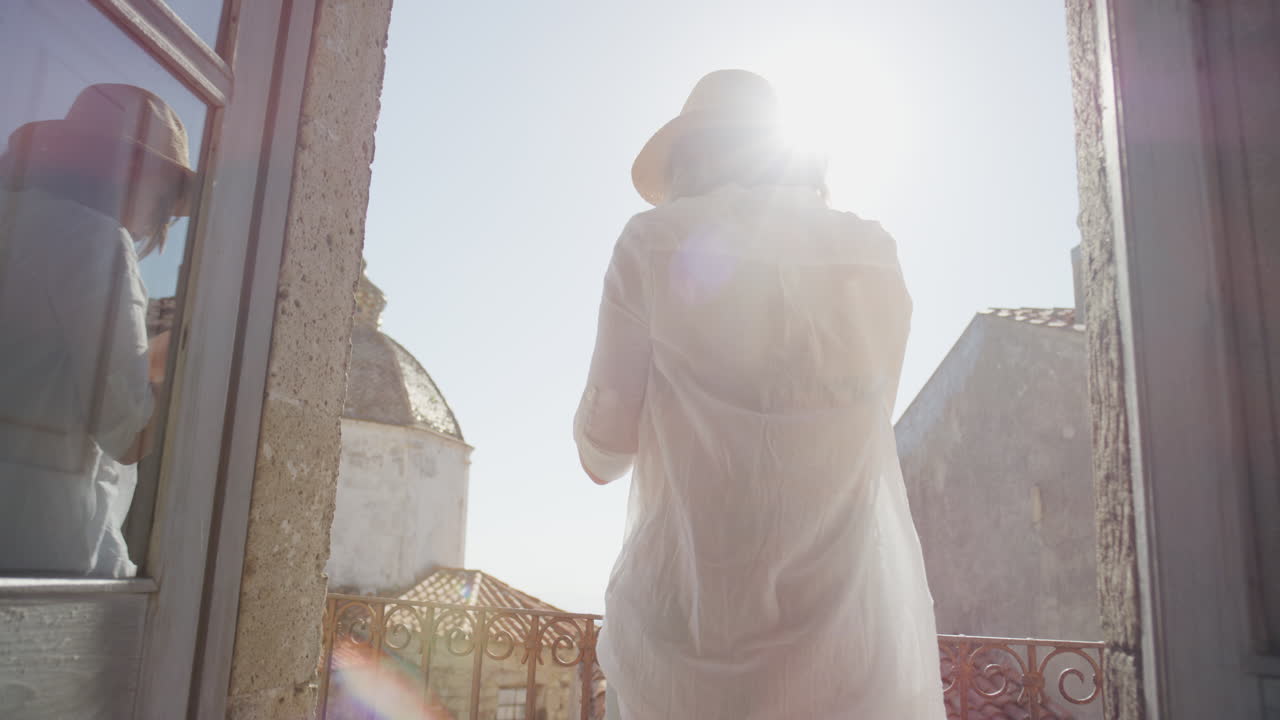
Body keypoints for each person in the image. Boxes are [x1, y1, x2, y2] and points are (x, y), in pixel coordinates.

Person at [574, 70, 945, 718]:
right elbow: (867, 424)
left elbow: (604, 448)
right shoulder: (874, 256)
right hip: (848, 655)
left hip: (688, 652)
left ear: (688, 156)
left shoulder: (653, 244)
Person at [0, 83, 194, 577]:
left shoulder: (18, 220)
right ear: (135, 173)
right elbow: (125, 434)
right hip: (40, 558)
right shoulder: (94, 240)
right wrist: (187, 355)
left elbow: (46, 372)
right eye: (167, 194)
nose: (165, 215)